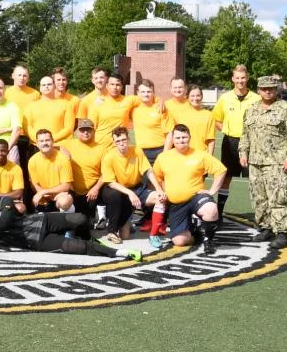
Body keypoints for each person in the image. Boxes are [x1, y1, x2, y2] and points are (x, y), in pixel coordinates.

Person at [0, 186, 141, 261]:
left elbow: (4, 222)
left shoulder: (4, 200)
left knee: (80, 219)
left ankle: (89, 237)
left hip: (41, 220)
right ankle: (119, 252)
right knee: (78, 248)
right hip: (34, 241)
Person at [239, 76, 287, 249]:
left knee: (278, 197)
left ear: (276, 90)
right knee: (259, 198)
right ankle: (266, 228)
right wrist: (243, 152)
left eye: (271, 88)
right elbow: (245, 134)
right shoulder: (251, 109)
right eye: (264, 88)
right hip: (255, 161)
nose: (267, 91)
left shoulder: (286, 110)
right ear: (258, 90)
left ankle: (281, 233)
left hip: (277, 162)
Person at [152, 124, 226, 254]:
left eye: (184, 137)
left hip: (195, 198)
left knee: (211, 210)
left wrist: (212, 191)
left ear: (190, 138)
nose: (181, 140)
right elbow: (156, 177)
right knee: (180, 241)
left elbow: (221, 170)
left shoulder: (200, 155)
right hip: (176, 204)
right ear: (173, 140)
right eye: (178, 138)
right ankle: (195, 231)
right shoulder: (163, 157)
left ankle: (208, 241)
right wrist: (160, 191)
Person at [100, 126, 166, 247]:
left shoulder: (137, 151)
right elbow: (110, 182)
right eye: (118, 141)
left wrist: (159, 189)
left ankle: (153, 235)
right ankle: (125, 223)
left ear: (128, 139)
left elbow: (148, 170)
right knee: (125, 236)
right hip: (121, 191)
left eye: (124, 140)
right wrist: (130, 193)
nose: (121, 144)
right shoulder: (109, 157)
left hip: (137, 188)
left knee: (160, 198)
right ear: (113, 143)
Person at [212, 64, 260, 222]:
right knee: (226, 177)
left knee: (255, 179)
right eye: (237, 78)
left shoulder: (256, 98)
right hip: (230, 142)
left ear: (247, 78)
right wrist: (226, 130)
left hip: (252, 143)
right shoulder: (225, 98)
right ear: (233, 79)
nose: (240, 81)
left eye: (243, 78)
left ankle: (260, 215)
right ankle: (219, 212)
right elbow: (216, 119)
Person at [59, 118, 106, 224]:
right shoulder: (68, 144)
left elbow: (106, 173)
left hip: (92, 191)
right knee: (80, 222)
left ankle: (105, 217)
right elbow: (49, 144)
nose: (85, 132)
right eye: (82, 130)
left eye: (88, 130)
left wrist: (96, 188)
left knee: (111, 192)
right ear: (77, 131)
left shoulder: (101, 148)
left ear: (94, 131)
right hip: (74, 190)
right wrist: (62, 150)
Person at [27, 129, 75, 213]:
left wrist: (44, 192)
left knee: (65, 201)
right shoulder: (32, 160)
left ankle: (68, 215)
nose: (45, 143)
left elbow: (66, 186)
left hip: (59, 195)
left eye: (47, 140)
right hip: (43, 197)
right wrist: (43, 194)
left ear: (53, 141)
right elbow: (34, 184)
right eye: (41, 141)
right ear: (37, 144)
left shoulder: (63, 158)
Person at [88, 73, 139, 147]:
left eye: (118, 85)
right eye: (112, 84)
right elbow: (91, 127)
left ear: (122, 87)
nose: (115, 87)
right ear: (107, 86)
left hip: (119, 146)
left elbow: (147, 98)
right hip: (101, 145)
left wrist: (158, 100)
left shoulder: (128, 100)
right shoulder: (98, 102)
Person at [22, 76, 75, 145]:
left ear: (54, 86)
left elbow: (69, 128)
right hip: (37, 145)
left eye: (49, 84)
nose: (46, 86)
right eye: (44, 85)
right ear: (40, 88)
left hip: (60, 145)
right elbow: (27, 127)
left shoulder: (67, 104)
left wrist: (52, 139)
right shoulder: (31, 106)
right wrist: (39, 140)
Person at [130, 79, 173, 164]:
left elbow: (170, 133)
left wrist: (165, 154)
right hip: (140, 152)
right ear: (137, 93)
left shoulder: (161, 108)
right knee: (142, 177)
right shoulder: (133, 109)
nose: (146, 94)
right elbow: (130, 129)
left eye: (149, 91)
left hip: (159, 150)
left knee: (159, 177)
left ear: (153, 93)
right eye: (143, 92)